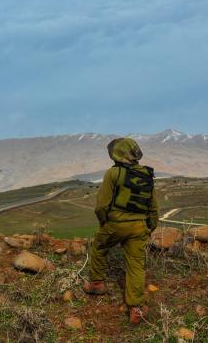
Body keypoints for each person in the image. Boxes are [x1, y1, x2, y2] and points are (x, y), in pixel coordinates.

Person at [83, 137, 159, 324]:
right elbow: (154, 207)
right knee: (136, 265)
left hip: (115, 224)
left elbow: (101, 206)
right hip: (140, 226)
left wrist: (104, 223)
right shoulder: (146, 174)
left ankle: (97, 284)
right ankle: (136, 308)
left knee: (99, 247)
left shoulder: (113, 173)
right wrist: (150, 227)